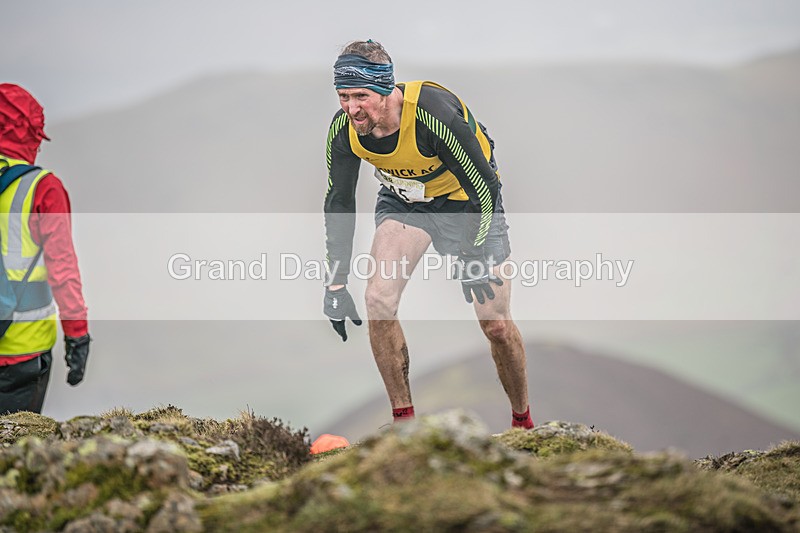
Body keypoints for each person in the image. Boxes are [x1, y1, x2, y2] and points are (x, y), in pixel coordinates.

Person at [323, 40, 534, 430]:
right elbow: (339, 202)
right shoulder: (344, 130)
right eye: (343, 96)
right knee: (378, 300)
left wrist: (473, 255)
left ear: (386, 90)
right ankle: (405, 426)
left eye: (361, 96)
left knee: (496, 325)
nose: (352, 108)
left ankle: (523, 422)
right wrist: (335, 283)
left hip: (468, 202)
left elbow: (485, 187)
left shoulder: (431, 114)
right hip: (406, 204)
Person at [0, 83, 90, 414]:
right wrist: (77, 336)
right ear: (31, 133)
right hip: (21, 354)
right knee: (15, 456)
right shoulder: (43, 188)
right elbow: (63, 270)